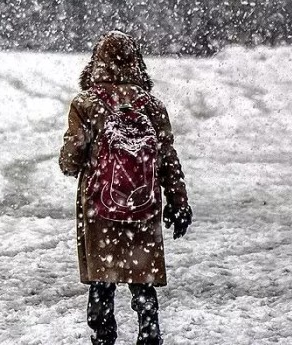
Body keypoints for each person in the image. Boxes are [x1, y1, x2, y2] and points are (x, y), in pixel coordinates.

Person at [59, 31, 192, 345]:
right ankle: (149, 331)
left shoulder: (86, 104)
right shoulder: (152, 106)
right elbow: (167, 158)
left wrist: (74, 158)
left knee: (102, 278)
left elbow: (71, 160)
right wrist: (178, 200)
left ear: (96, 63)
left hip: (99, 204)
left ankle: (103, 335)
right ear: (137, 63)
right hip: (142, 206)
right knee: (140, 275)